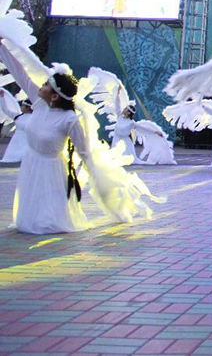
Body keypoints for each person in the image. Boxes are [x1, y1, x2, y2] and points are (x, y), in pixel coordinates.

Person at [0, 35, 159, 234]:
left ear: (55, 96)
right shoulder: (39, 102)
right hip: (31, 162)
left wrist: (101, 183)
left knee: (48, 219)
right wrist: (1, 47)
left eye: (46, 85)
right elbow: (20, 72)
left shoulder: (69, 119)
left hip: (52, 169)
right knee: (29, 213)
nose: (41, 86)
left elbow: (85, 153)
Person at [0, 99, 32, 163]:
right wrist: (2, 99)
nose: (21, 107)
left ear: (28, 108)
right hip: (16, 138)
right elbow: (6, 110)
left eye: (23, 106)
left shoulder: (34, 117)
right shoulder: (18, 116)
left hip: (27, 138)